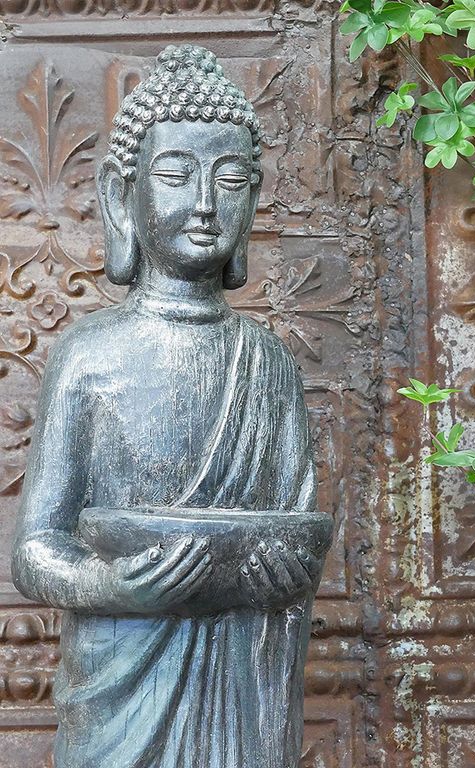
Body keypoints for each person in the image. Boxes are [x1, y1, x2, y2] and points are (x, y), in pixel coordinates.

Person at [11, 44, 324, 768]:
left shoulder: (266, 360)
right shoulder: (88, 353)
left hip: (240, 673)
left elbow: (297, 536)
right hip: (120, 670)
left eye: (233, 178)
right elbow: (35, 550)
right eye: (177, 176)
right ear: (124, 196)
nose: (206, 204)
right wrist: (112, 584)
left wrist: (282, 574)